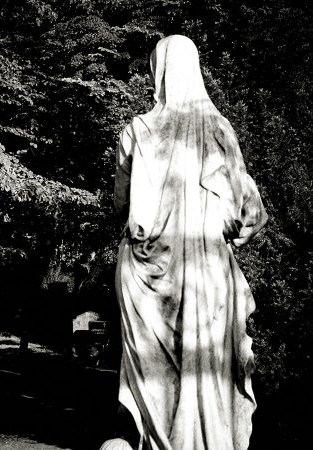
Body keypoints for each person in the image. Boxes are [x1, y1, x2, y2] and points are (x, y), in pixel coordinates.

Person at [103, 35, 268, 450]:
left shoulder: (137, 131)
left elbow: (120, 203)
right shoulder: (220, 130)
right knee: (208, 372)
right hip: (207, 275)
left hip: (146, 277)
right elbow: (248, 214)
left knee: (155, 386)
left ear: (159, 72)